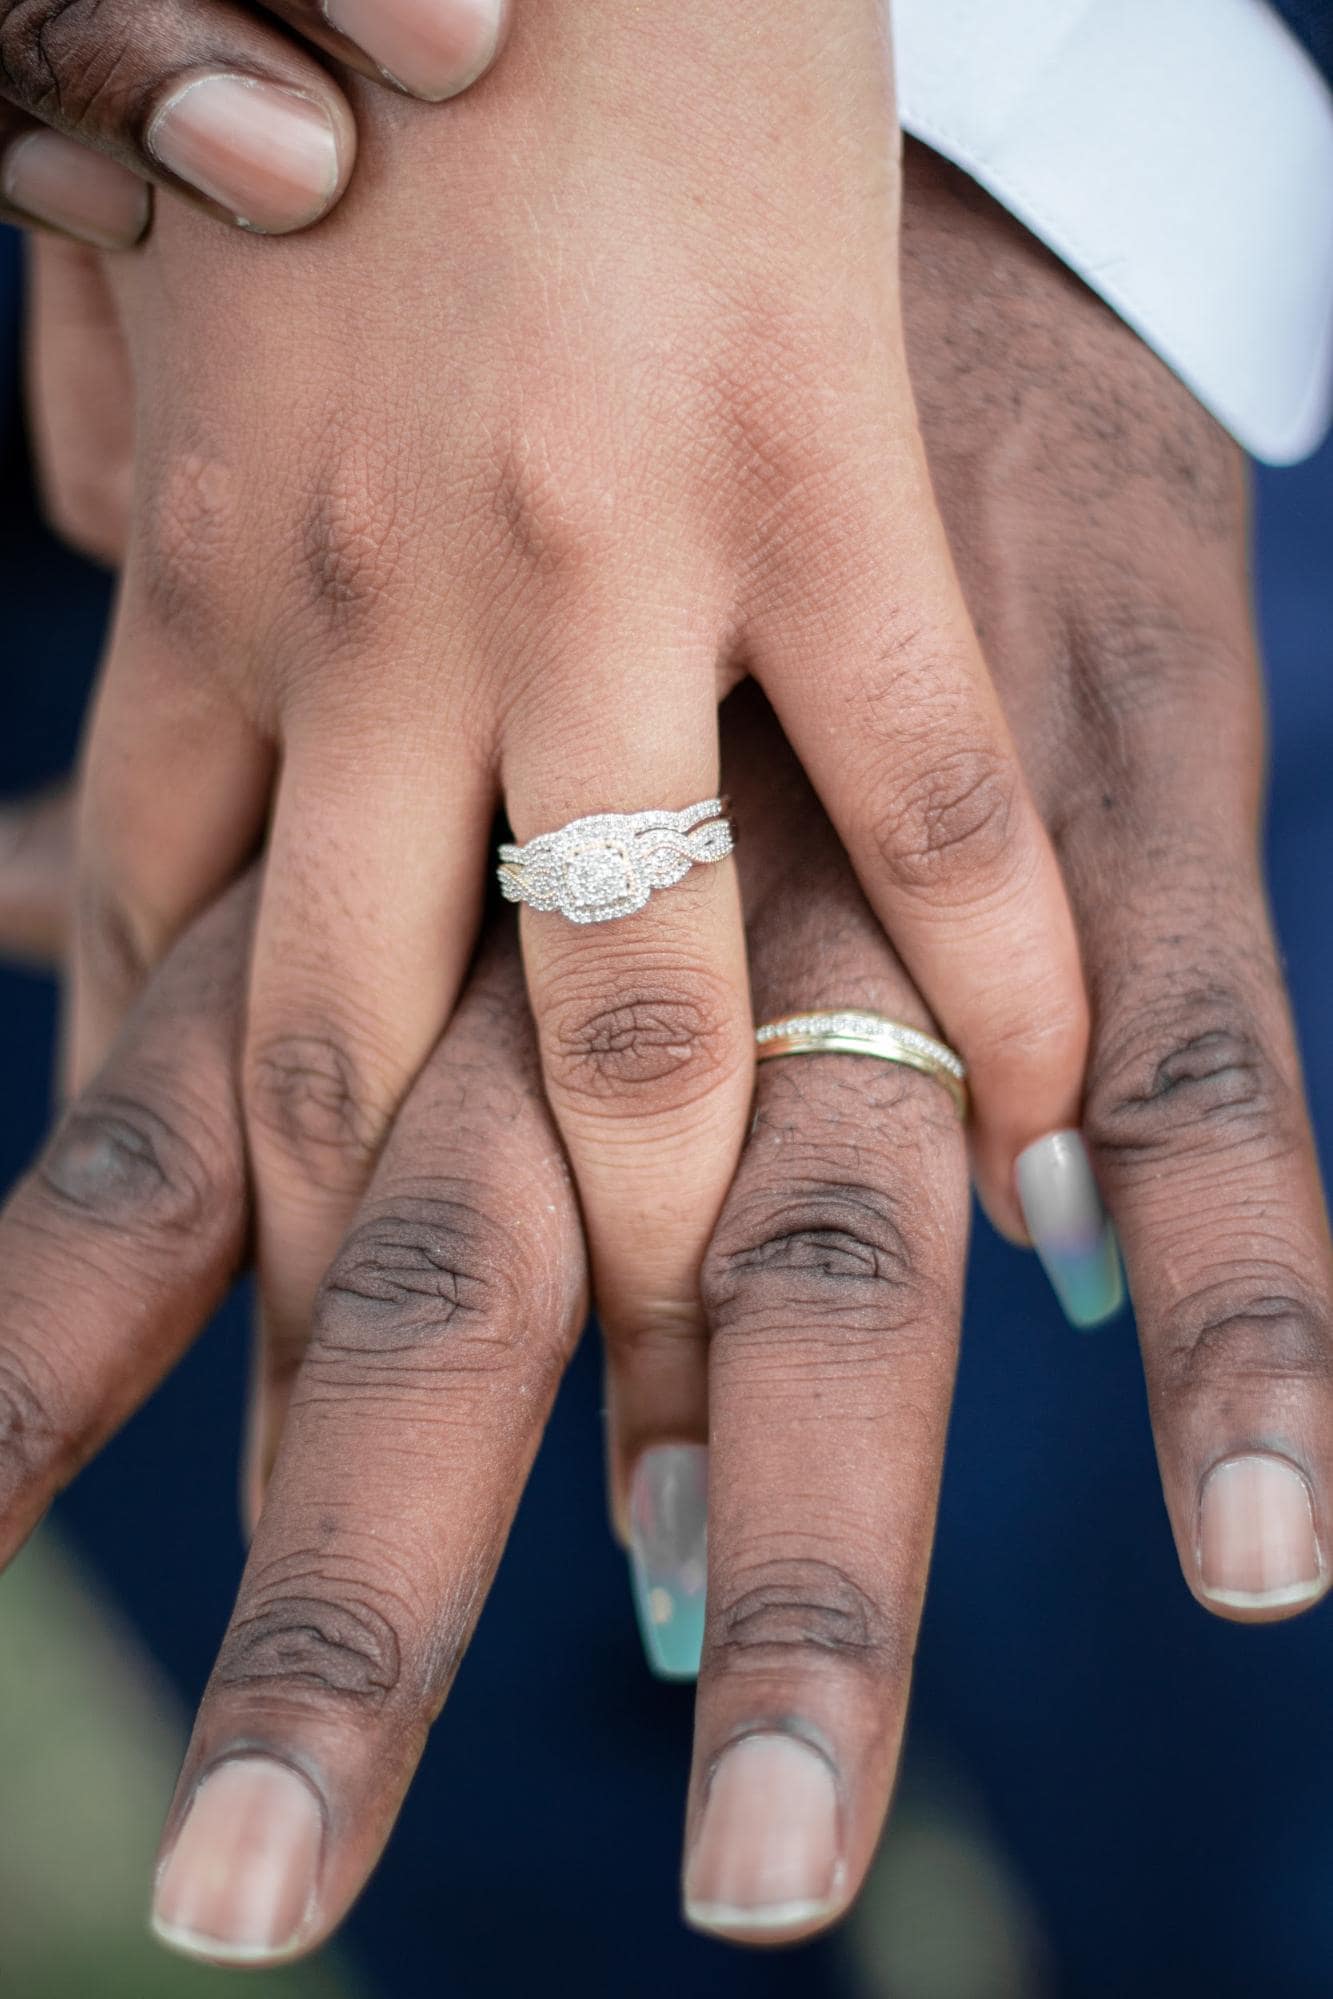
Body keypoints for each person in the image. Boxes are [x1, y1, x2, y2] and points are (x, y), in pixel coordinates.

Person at [0, 0, 1331, 1983]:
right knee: (474, 1791)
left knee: (1236, 1806)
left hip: (1084, 422)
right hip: (98, 595)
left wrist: (903, 176)